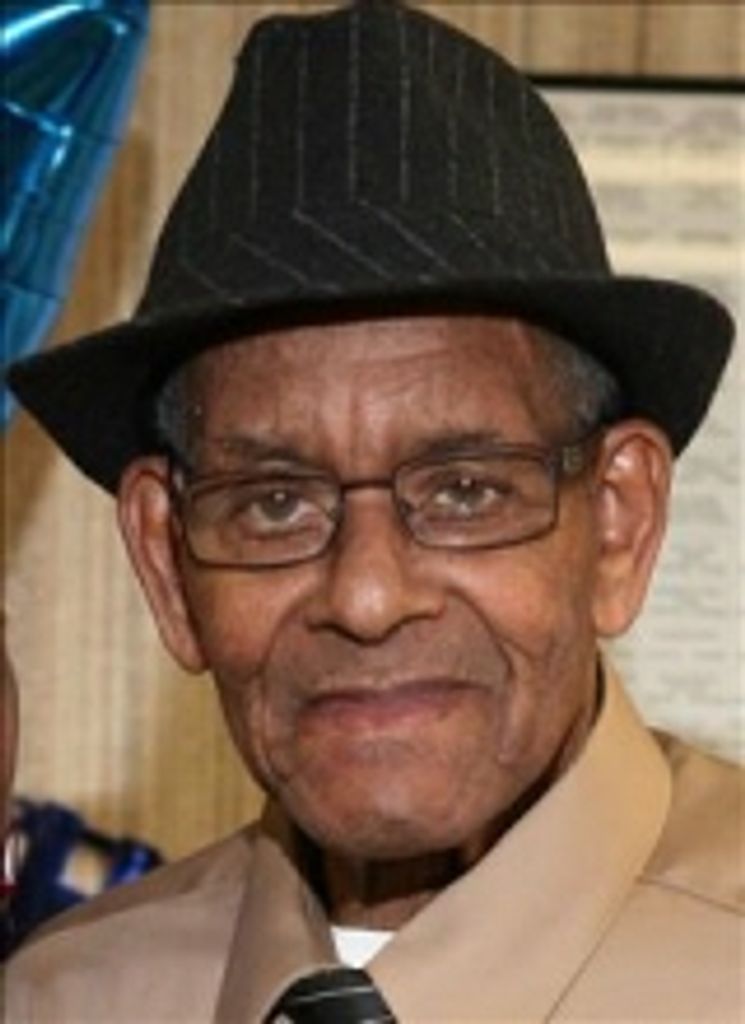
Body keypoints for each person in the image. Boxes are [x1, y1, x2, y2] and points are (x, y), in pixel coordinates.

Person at [5, 1, 742, 1020]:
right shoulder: (64, 1000)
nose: (365, 596)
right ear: (166, 565)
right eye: (273, 504)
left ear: (618, 522)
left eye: (465, 490)